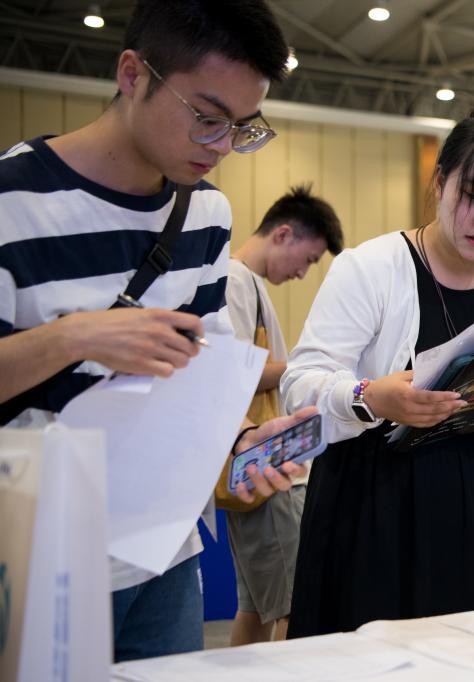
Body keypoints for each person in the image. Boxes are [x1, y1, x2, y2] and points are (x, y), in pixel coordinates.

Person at [0, 0, 313, 662]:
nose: (222, 147)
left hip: (163, 544)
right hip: (35, 551)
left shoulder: (205, 213)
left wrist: (240, 442)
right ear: (133, 74)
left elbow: (192, 374)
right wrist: (72, 337)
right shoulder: (14, 201)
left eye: (241, 127)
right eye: (205, 118)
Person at [281, 98, 474, 635]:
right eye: (471, 195)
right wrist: (369, 395)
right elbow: (300, 383)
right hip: (365, 494)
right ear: (440, 180)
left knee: (459, 651)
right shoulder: (371, 268)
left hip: (462, 494)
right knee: (360, 654)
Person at [224, 184, 343, 645]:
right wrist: (304, 367)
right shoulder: (236, 281)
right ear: (284, 234)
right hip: (266, 469)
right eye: (308, 260)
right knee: (295, 611)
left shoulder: (249, 285)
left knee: (255, 609)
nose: (302, 273)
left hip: (258, 467)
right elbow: (228, 376)